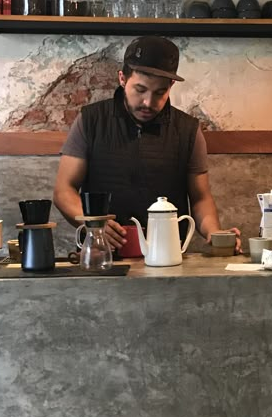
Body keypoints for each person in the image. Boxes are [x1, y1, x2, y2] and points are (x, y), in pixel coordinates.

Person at [53, 35, 240, 253]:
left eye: (160, 92)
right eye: (140, 90)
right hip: (102, 255)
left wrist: (213, 233)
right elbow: (63, 190)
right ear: (122, 79)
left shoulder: (188, 130)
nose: (148, 102)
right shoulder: (91, 120)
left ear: (171, 85)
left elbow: (200, 198)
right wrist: (93, 223)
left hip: (167, 255)